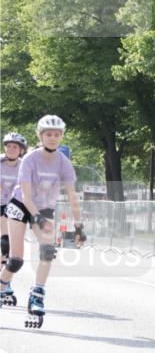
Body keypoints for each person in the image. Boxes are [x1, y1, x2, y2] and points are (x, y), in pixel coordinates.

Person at [0, 115, 86, 325]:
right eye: (48, 134)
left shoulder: (64, 163)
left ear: (61, 136)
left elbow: (73, 197)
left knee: (48, 251)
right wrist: (36, 218)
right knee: (15, 260)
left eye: (57, 134)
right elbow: (26, 196)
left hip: (45, 208)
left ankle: (37, 295)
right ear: (40, 136)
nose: (53, 138)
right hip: (21, 205)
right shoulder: (30, 159)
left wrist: (79, 226)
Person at [1, 132, 29, 272]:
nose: (11, 149)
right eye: (9, 146)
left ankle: (3, 278)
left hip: (14, 205)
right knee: (5, 242)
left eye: (15, 147)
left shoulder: (25, 166)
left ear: (21, 150)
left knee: (7, 244)